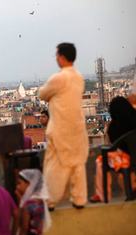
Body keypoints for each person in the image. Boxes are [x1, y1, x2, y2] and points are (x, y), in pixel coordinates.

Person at [38, 43, 89, 210]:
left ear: (62, 57)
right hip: (77, 127)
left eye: (57, 55)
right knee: (78, 164)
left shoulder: (59, 78)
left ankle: (50, 202)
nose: (56, 58)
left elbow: (42, 94)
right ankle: (80, 200)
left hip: (60, 127)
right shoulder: (79, 76)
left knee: (55, 166)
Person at [89, 97, 136, 202]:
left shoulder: (115, 125)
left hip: (125, 159)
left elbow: (113, 144)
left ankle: (102, 195)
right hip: (134, 158)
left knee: (101, 162)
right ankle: (133, 187)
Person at [16, 169, 51, 235]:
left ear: (29, 183)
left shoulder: (27, 205)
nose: (17, 187)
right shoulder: (40, 201)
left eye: (19, 183)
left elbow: (24, 228)